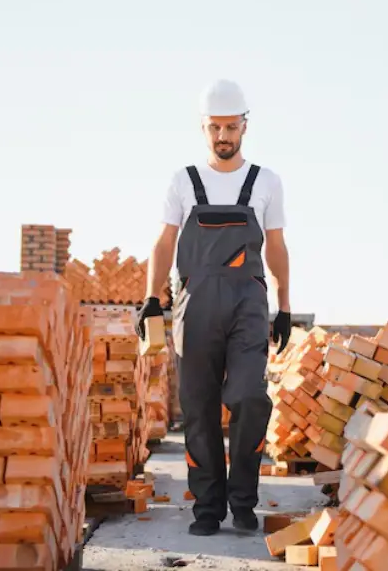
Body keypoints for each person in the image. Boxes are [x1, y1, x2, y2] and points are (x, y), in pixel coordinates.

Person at [136, 78, 292, 537]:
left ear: (245, 126)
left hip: (248, 306)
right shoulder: (183, 181)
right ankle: (208, 507)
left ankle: (243, 499)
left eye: (231, 126)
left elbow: (279, 247)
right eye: (214, 128)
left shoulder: (265, 182)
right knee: (199, 409)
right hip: (195, 306)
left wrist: (285, 307)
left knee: (249, 396)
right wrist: (151, 299)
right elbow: (164, 241)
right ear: (202, 128)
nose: (223, 136)